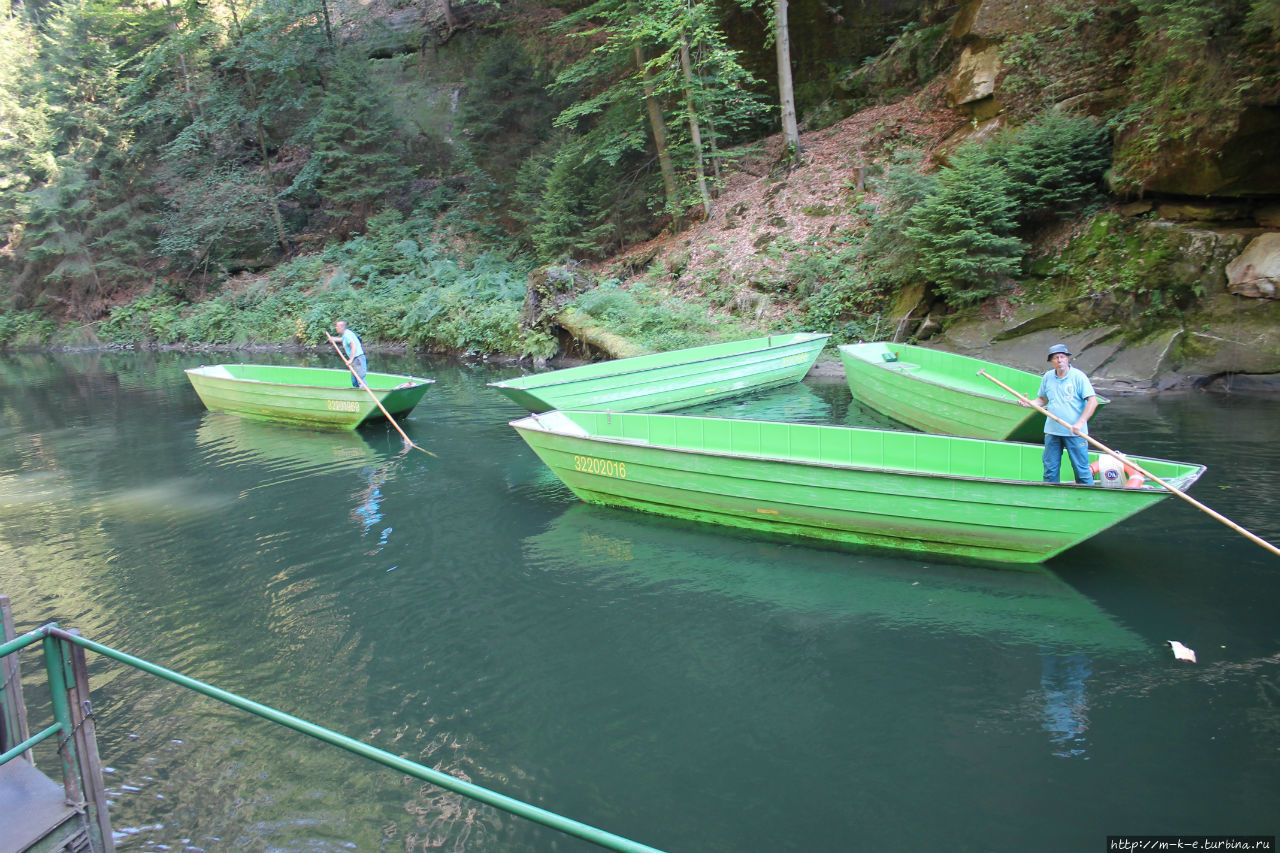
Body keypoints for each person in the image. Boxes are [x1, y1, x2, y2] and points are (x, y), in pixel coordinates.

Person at [1024, 343, 1098, 485]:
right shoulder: (1048, 377)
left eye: (1062, 357)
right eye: (1055, 358)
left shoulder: (1078, 377)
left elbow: (1092, 401)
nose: (1059, 360)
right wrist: (1029, 403)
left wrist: (1080, 423)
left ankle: (1088, 499)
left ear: (1067, 359)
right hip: (1052, 431)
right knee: (1050, 470)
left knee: (1081, 470)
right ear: (1052, 361)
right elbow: (1042, 399)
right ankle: (1051, 499)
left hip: (1075, 432)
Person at [328, 320, 366, 388]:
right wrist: (334, 339)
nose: (336, 328)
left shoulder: (347, 334)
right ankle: (357, 395)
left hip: (357, 359)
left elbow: (353, 346)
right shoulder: (345, 335)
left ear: (342, 327)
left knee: (360, 379)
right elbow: (343, 339)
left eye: (337, 326)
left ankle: (364, 395)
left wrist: (351, 359)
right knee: (354, 380)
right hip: (354, 359)